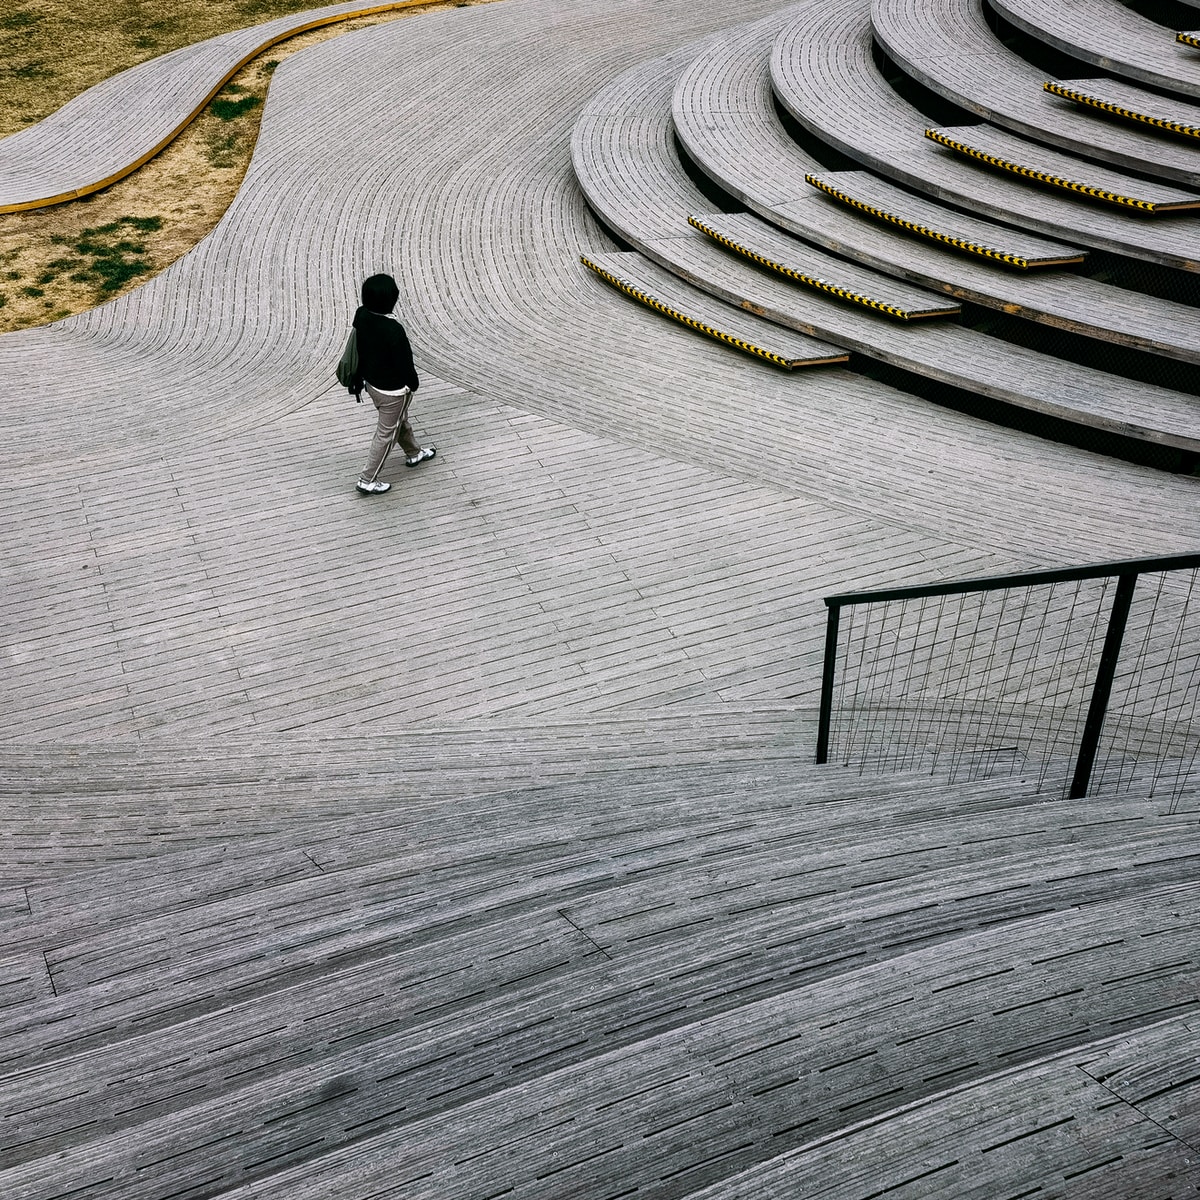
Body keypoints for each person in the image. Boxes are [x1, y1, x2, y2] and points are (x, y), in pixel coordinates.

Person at [351, 273, 435, 495]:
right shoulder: (393, 330)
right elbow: (404, 364)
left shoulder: (361, 315)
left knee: (399, 421)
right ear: (392, 299)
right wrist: (413, 384)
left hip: (372, 384)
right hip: (393, 391)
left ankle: (414, 453)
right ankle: (367, 479)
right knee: (386, 433)